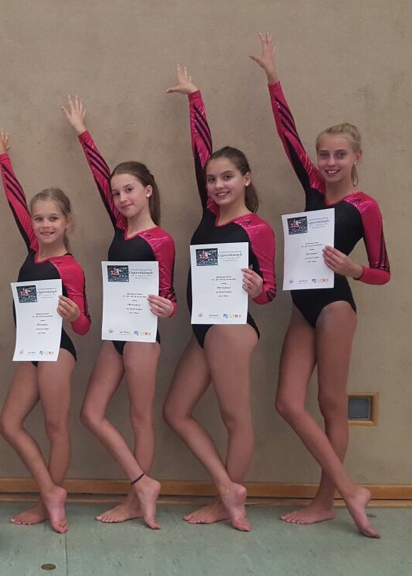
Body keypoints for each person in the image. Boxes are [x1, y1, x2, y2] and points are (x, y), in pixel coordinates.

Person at [250, 33, 390, 539]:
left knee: (331, 404)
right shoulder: (312, 186)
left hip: (335, 306)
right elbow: (286, 133)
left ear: (356, 157)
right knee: (288, 402)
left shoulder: (365, 206)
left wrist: (352, 270)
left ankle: (327, 499)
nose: (330, 162)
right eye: (324, 154)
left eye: (340, 155)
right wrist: (273, 78)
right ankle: (351, 490)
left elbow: (382, 270)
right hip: (302, 307)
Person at [162, 67, 277, 532]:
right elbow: (200, 153)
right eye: (212, 179)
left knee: (235, 416)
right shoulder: (211, 214)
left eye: (227, 177)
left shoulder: (257, 228)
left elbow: (270, 291)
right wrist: (195, 100)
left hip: (232, 329)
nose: (217, 185)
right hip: (204, 327)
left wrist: (258, 290)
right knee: (175, 411)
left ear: (246, 179)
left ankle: (228, 499)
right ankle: (228, 487)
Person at [60, 96, 177, 529]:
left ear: (147, 191)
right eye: (116, 192)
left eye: (129, 189)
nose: (122, 197)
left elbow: (169, 294)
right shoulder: (120, 229)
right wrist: (82, 133)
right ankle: (144, 482)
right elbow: (98, 176)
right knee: (90, 412)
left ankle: (135, 499)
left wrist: (168, 307)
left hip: (144, 335)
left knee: (139, 418)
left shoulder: (161, 240)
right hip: (116, 333)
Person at [0, 127, 91, 534]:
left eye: (53, 218)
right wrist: (3, 158)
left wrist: (74, 313)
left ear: (67, 222)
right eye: (39, 218)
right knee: (9, 424)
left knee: (54, 427)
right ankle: (51, 491)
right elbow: (15, 200)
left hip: (57, 351)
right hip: (30, 349)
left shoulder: (70, 267)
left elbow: (84, 326)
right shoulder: (33, 248)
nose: (45, 225)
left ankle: (48, 502)